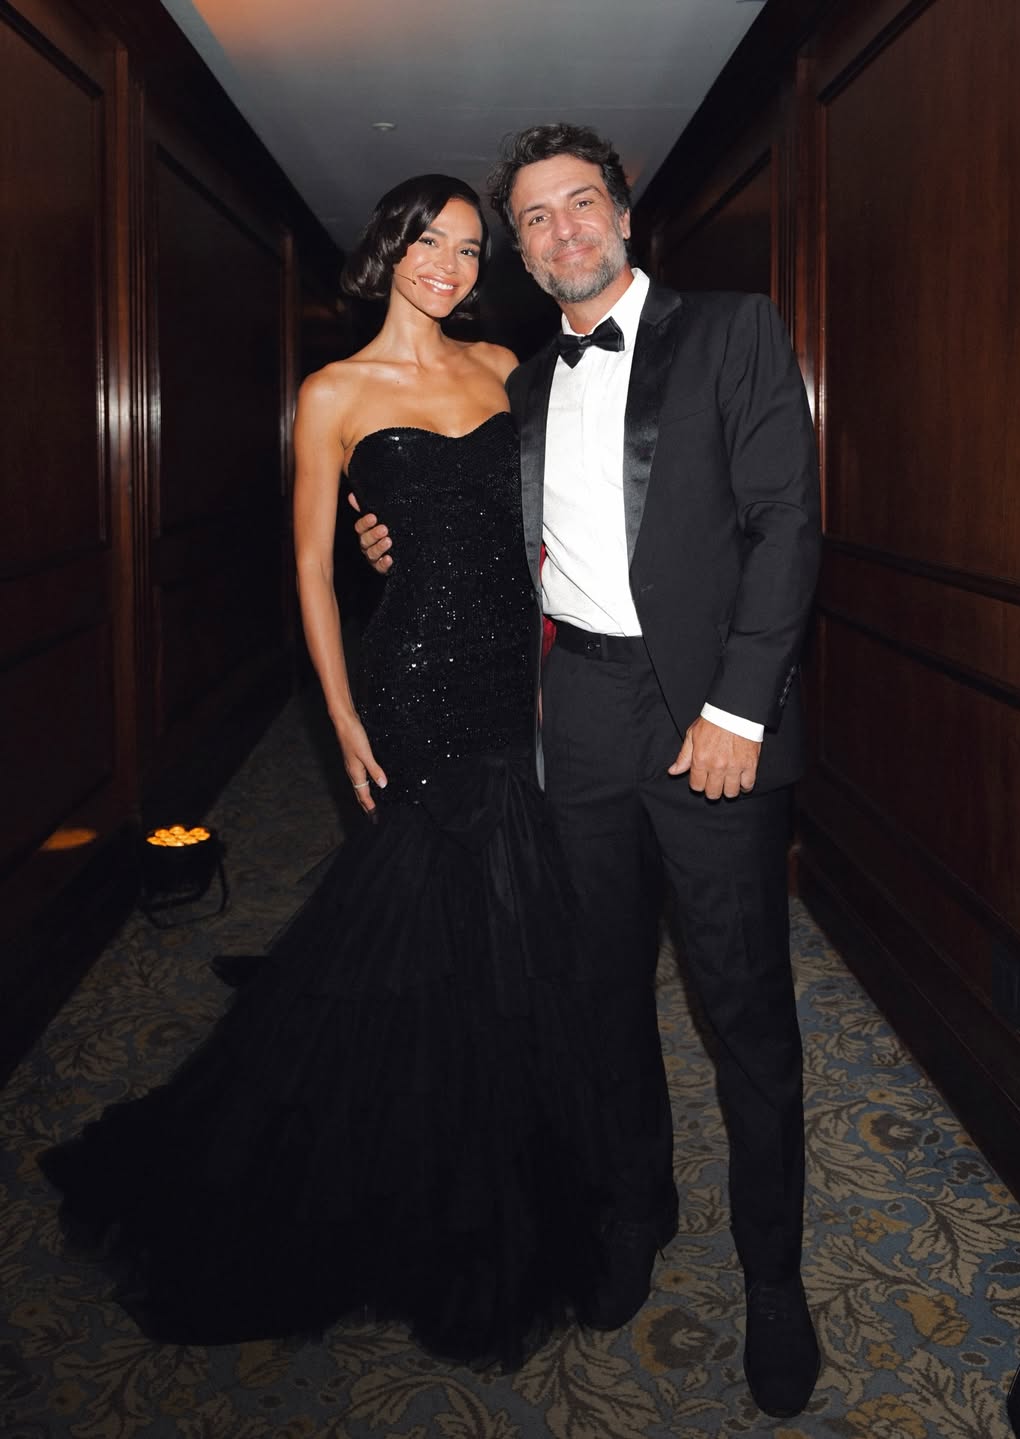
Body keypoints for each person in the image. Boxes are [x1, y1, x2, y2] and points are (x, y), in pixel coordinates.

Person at [38, 174, 609, 1370]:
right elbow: (309, 565)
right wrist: (341, 713)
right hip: (414, 683)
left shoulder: (506, 365)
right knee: (435, 916)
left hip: (517, 674)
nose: (449, 263)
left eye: (470, 247)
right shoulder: (334, 392)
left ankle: (479, 1146)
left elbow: (559, 504)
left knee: (504, 926)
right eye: (428, 241)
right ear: (388, 250)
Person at [354, 126, 823, 1418]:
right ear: (520, 249)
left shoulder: (732, 330)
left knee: (744, 1007)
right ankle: (634, 1211)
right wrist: (389, 536)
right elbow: (465, 520)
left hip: (712, 712)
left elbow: (787, 522)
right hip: (578, 714)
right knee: (601, 990)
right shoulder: (515, 385)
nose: (561, 230)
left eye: (579, 203)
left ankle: (774, 1280)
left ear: (623, 210)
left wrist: (738, 707)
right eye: (534, 218)